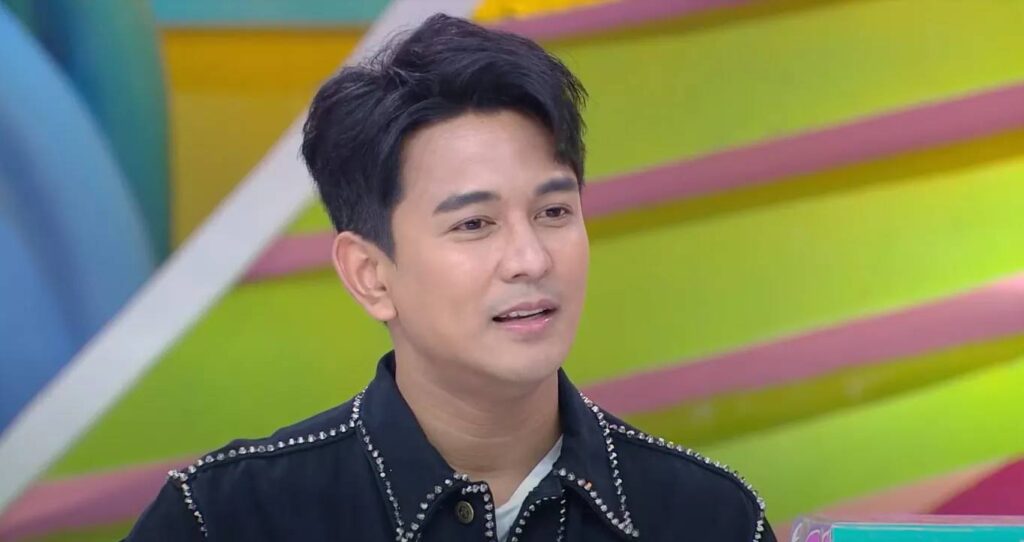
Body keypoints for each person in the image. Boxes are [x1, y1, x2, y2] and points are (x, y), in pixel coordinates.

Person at [125, 13, 776, 542]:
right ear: (369, 275)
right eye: (474, 224)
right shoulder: (226, 518)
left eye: (553, 212)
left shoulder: (709, 518)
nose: (530, 259)